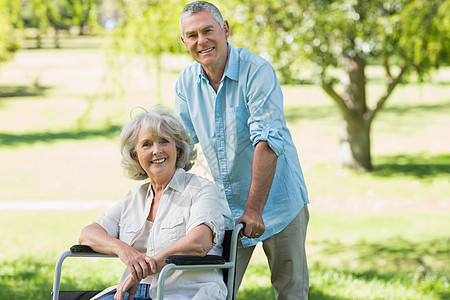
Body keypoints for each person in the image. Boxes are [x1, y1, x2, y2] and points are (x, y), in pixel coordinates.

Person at [174, 1, 310, 299]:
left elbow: (267, 141)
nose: (202, 41)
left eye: (208, 30)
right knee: (213, 291)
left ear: (225, 29)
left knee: (291, 292)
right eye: (192, 35)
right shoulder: (186, 83)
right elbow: (181, 147)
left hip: (279, 201)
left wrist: (253, 209)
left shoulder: (256, 71)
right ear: (184, 42)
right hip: (224, 210)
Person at [78, 107, 227, 300]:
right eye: (146, 144)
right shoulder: (134, 197)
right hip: (132, 294)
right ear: (135, 155)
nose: (157, 151)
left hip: (186, 294)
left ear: (178, 148)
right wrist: (125, 251)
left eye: (164, 141)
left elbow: (199, 243)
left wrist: (144, 269)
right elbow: (88, 234)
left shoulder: (200, 189)